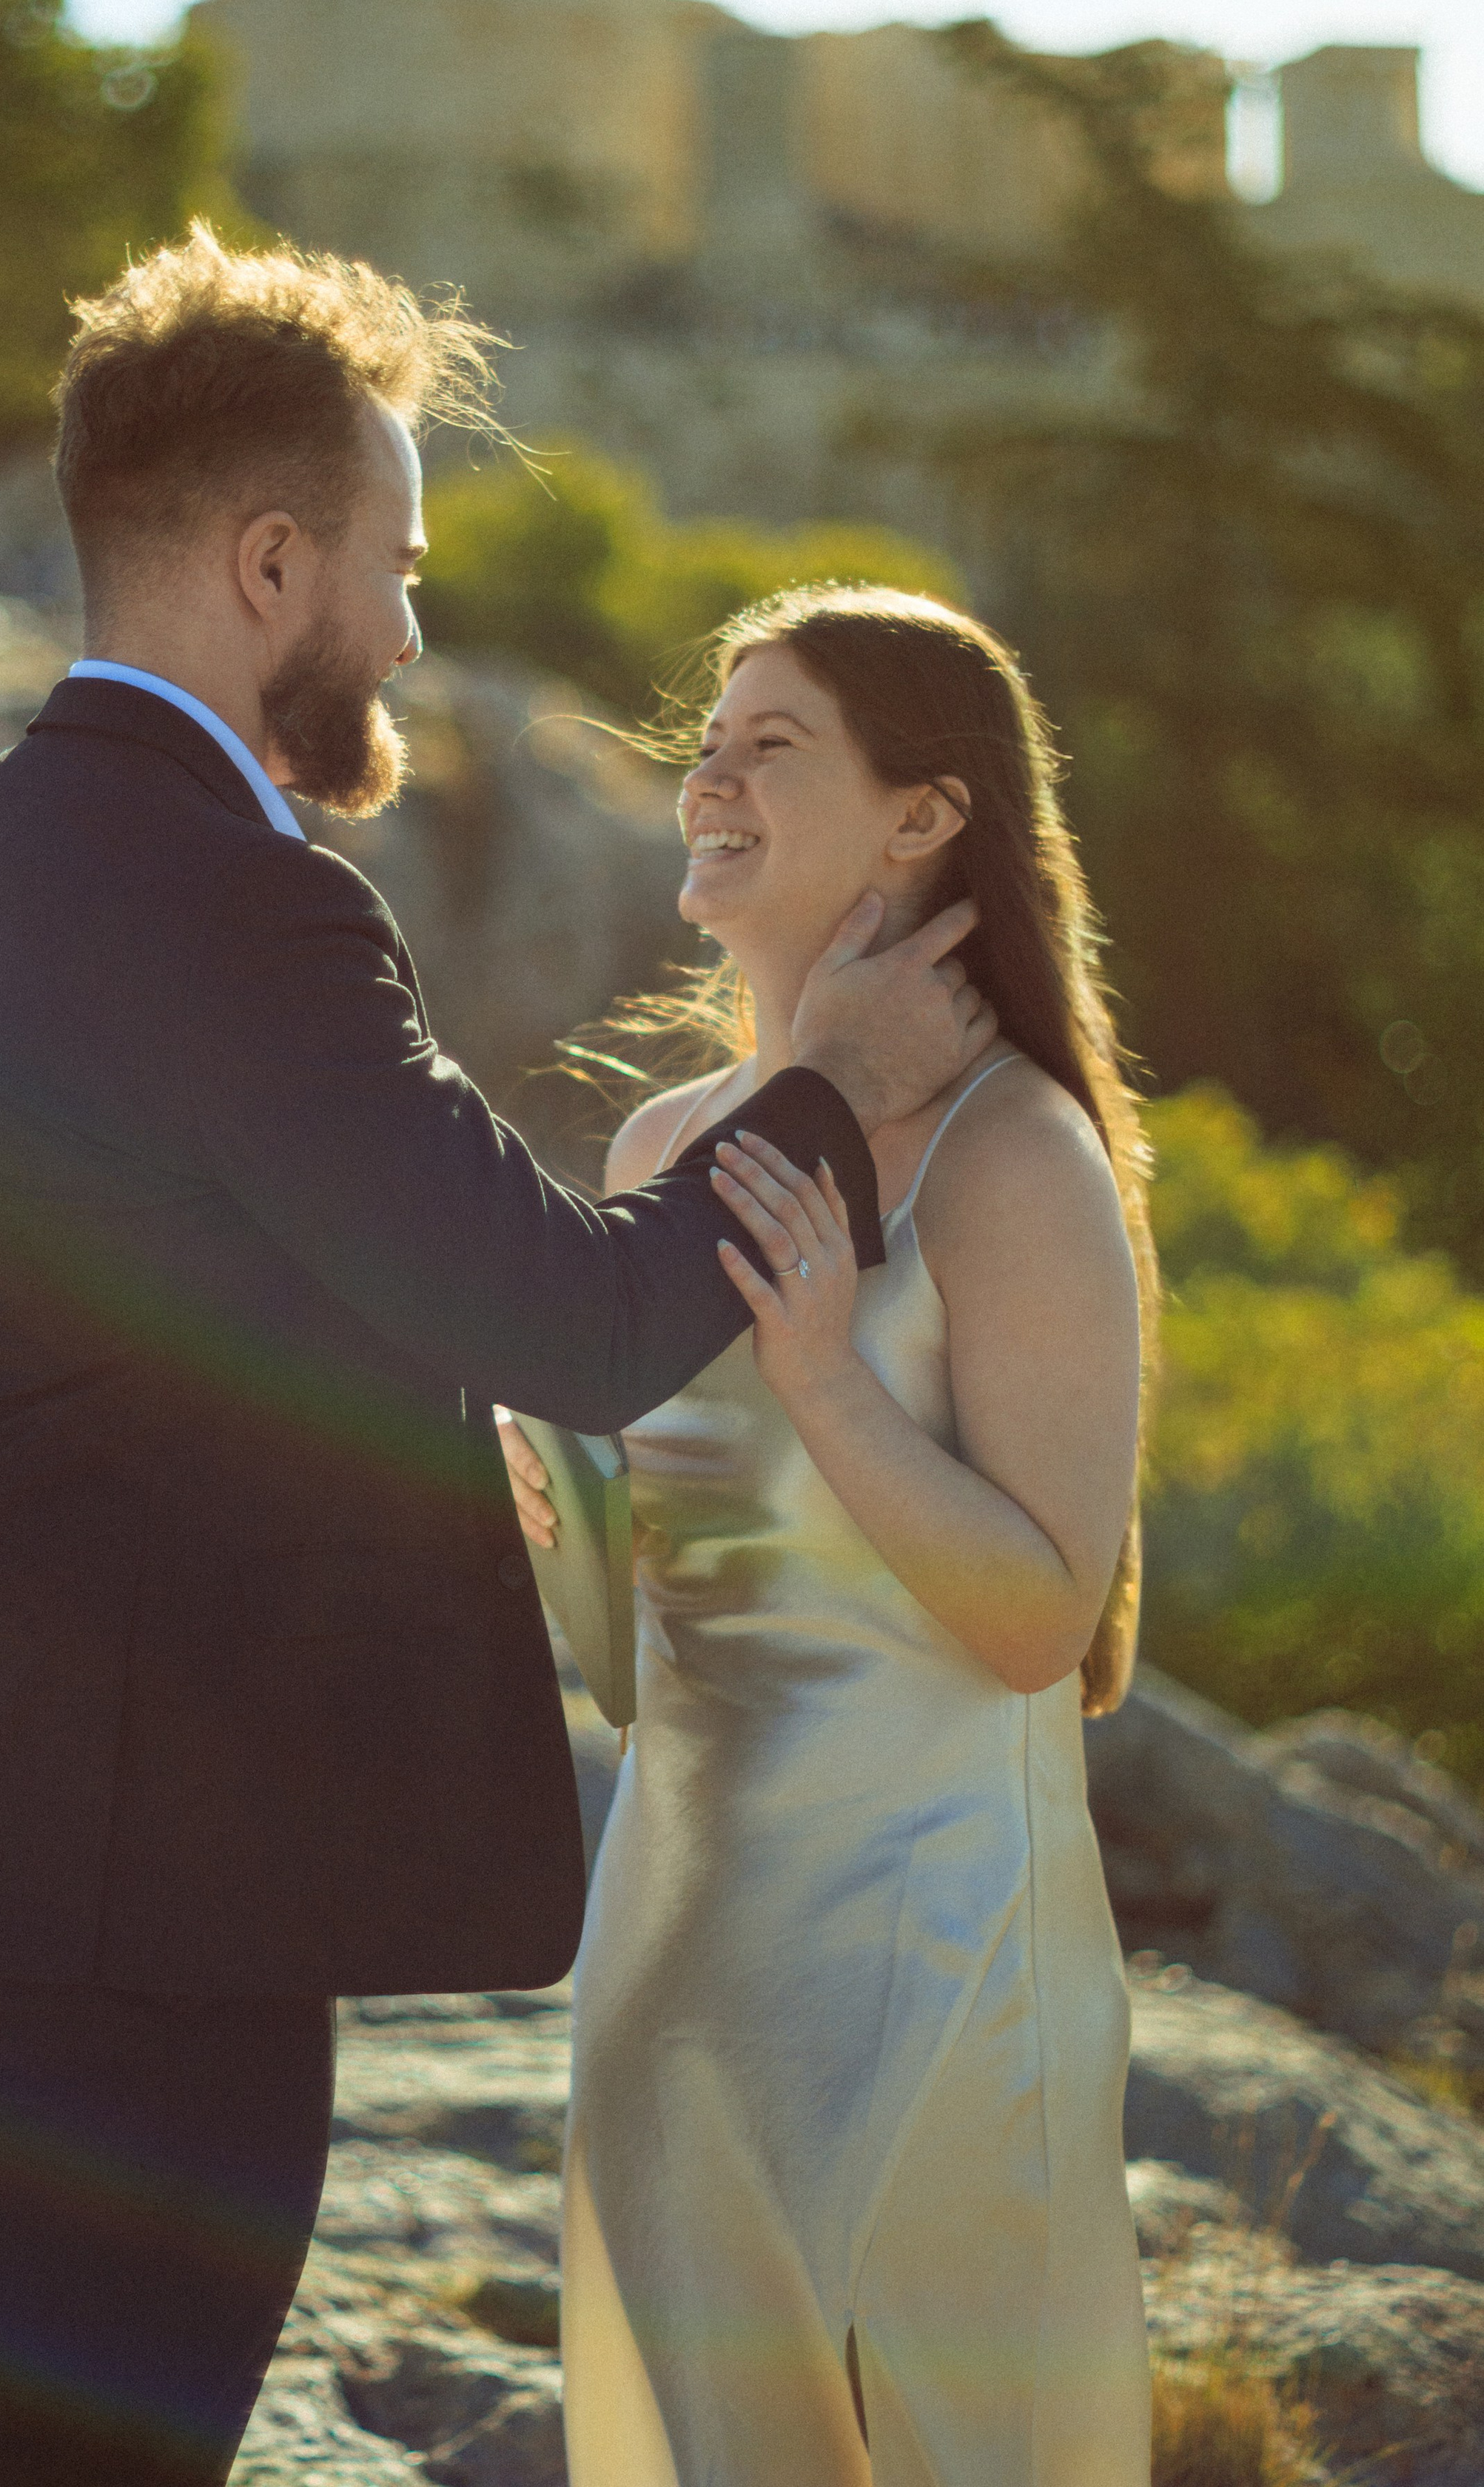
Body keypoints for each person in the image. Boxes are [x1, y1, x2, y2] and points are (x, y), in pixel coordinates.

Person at [0, 233, 997, 2487]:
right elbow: (570, 1313)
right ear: (271, 563)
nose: (417, 631)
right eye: (396, 567)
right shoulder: (247, 906)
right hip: (150, 1897)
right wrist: (826, 1079)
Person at [500, 586, 1155, 2486]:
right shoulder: (657, 1148)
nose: (703, 771)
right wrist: (560, 1515)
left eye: (768, 742)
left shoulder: (1009, 1158)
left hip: (928, 1975)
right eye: (707, 735)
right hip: (674, 1959)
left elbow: (1042, 1623)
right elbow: (638, 1648)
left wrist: (827, 1382)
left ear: (920, 817)